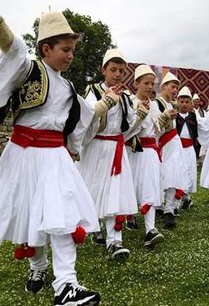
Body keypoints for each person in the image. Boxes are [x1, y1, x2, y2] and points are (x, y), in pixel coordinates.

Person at [0, 0, 101, 306]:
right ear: (46, 49)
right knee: (31, 217)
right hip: (24, 155)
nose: (71, 55)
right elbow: (9, 44)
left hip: (56, 157)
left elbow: (80, 120)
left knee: (61, 217)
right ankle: (37, 268)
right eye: (65, 49)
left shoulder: (69, 87)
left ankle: (66, 286)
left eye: (73, 49)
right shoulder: (28, 70)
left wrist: (104, 106)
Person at [77, 49, 146, 260]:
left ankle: (115, 240)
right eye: (113, 69)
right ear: (103, 70)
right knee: (93, 189)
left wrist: (140, 118)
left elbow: (127, 129)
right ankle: (92, 227)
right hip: (96, 148)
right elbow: (86, 116)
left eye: (121, 71)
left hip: (116, 149)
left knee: (115, 191)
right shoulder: (94, 91)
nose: (117, 74)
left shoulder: (125, 98)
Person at [125, 64, 165, 249]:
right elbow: (125, 130)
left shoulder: (155, 105)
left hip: (150, 152)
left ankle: (151, 230)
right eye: (146, 83)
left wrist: (165, 119)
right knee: (131, 186)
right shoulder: (129, 102)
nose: (150, 87)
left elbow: (157, 130)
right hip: (133, 151)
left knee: (150, 187)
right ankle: (129, 216)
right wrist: (140, 116)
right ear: (136, 83)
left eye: (152, 83)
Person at [150, 72, 187, 229]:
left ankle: (169, 209)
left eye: (176, 88)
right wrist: (165, 118)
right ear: (163, 87)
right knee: (160, 176)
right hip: (162, 145)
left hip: (173, 144)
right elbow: (153, 128)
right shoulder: (155, 104)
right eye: (172, 87)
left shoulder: (171, 104)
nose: (175, 90)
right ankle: (158, 206)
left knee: (173, 175)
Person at [176, 86, 198, 209]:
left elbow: (196, 132)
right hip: (177, 149)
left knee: (189, 172)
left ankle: (186, 197)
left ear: (190, 103)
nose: (184, 104)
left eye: (187, 102)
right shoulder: (175, 116)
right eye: (182, 102)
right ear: (178, 102)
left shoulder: (193, 117)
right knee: (178, 172)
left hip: (189, 149)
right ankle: (177, 200)